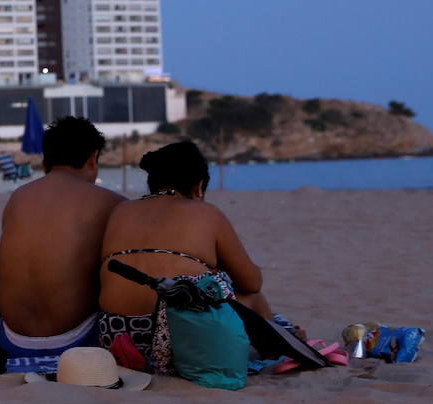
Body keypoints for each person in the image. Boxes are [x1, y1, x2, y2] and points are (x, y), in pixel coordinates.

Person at [98, 140, 293, 375]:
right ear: (199, 187)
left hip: (115, 336)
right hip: (179, 337)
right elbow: (251, 283)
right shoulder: (207, 213)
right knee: (252, 298)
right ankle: (278, 350)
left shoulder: (121, 210)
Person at [0, 116, 126, 374]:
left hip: (11, 339)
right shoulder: (111, 202)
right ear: (92, 159)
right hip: (75, 340)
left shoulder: (18, 197)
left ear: (45, 162)